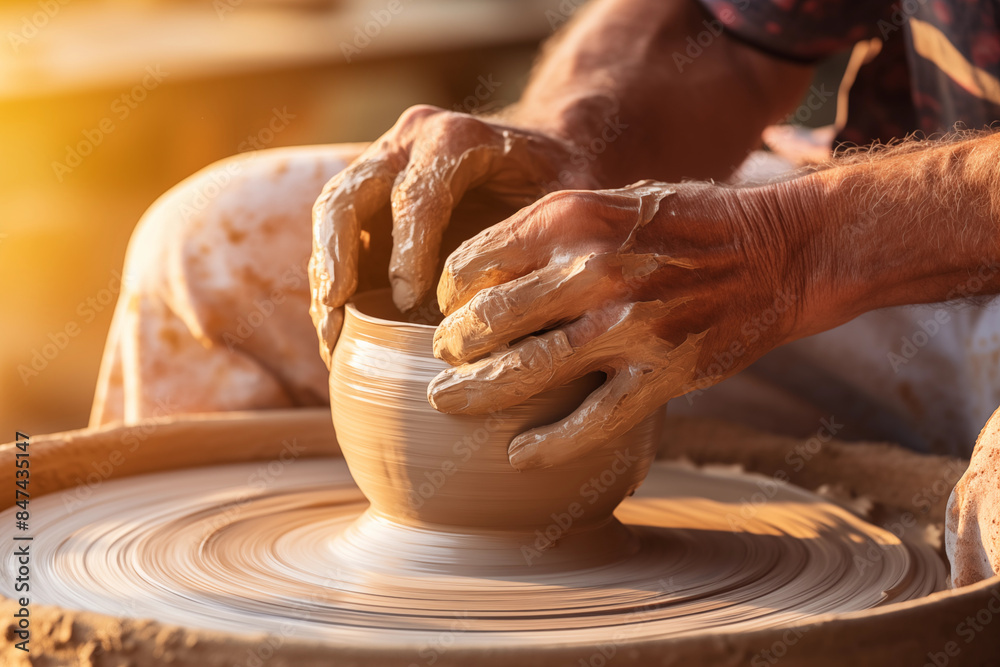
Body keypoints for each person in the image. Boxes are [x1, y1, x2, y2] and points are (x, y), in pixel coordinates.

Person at [91, 0, 1000, 584]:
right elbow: (713, 28)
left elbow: (793, 242)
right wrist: (566, 151)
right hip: (886, 227)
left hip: (852, 233)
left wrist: (791, 250)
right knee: (212, 248)